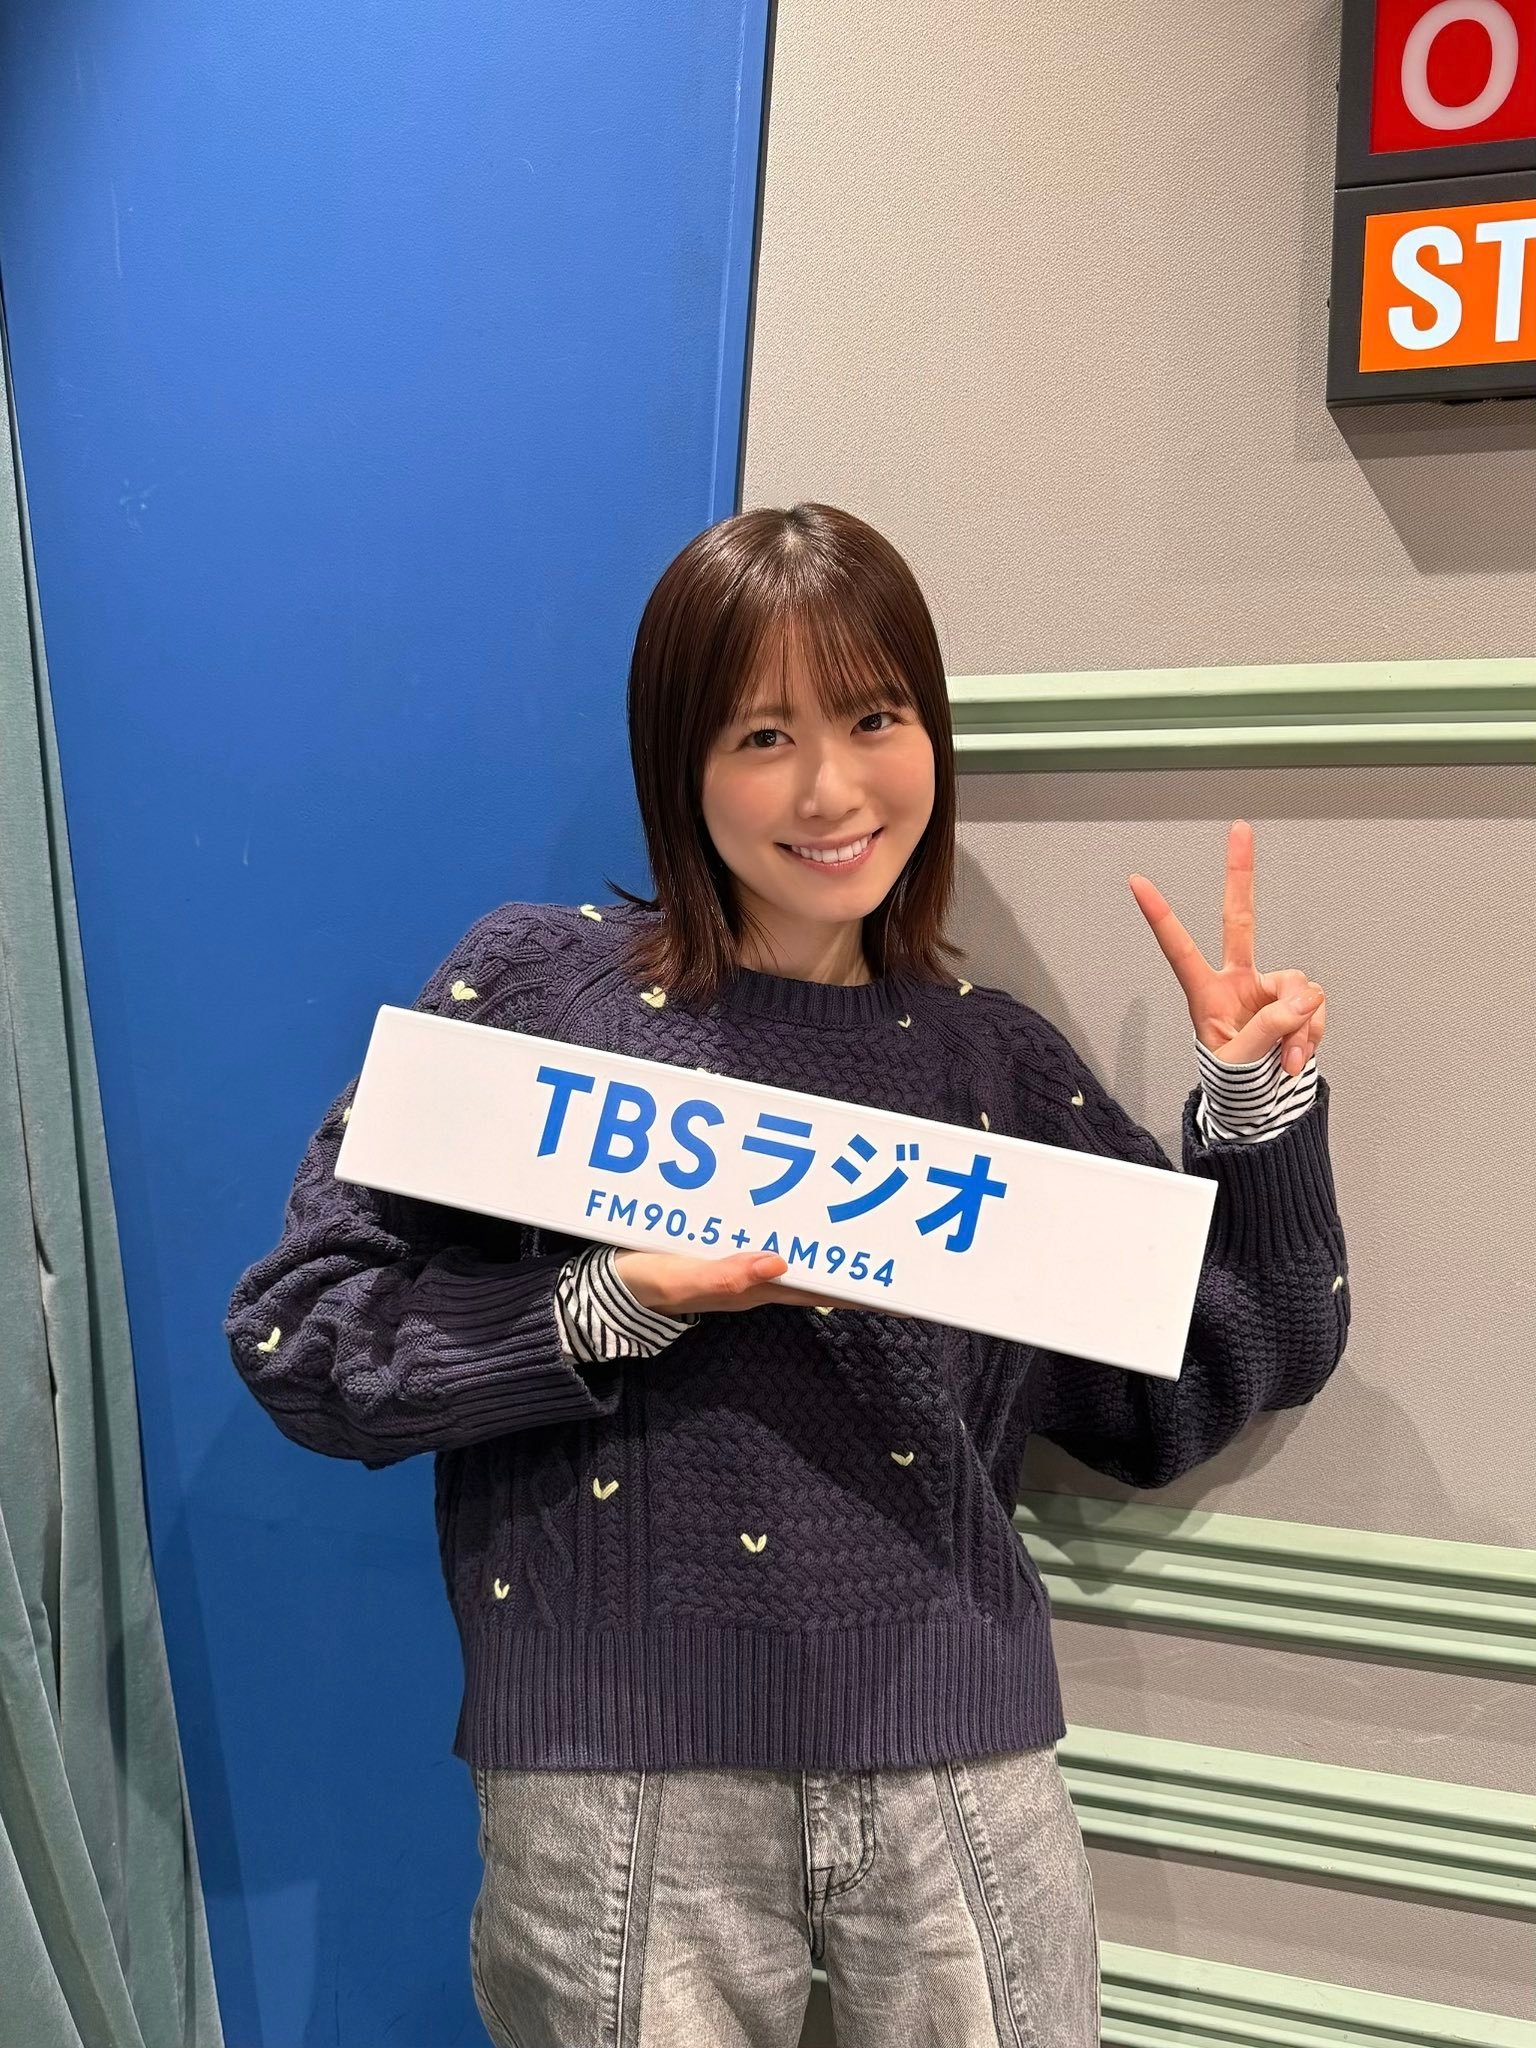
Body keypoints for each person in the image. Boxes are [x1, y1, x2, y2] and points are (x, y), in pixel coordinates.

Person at [226, 502, 1348, 2048]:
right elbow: (304, 1338)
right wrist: (610, 1306)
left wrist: (1252, 1105)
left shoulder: (989, 1065)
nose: (831, 789)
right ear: (679, 767)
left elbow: (1192, 1380)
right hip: (617, 1789)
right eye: (764, 737)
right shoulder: (541, 998)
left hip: (961, 1771)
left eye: (875, 719)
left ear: (930, 735)